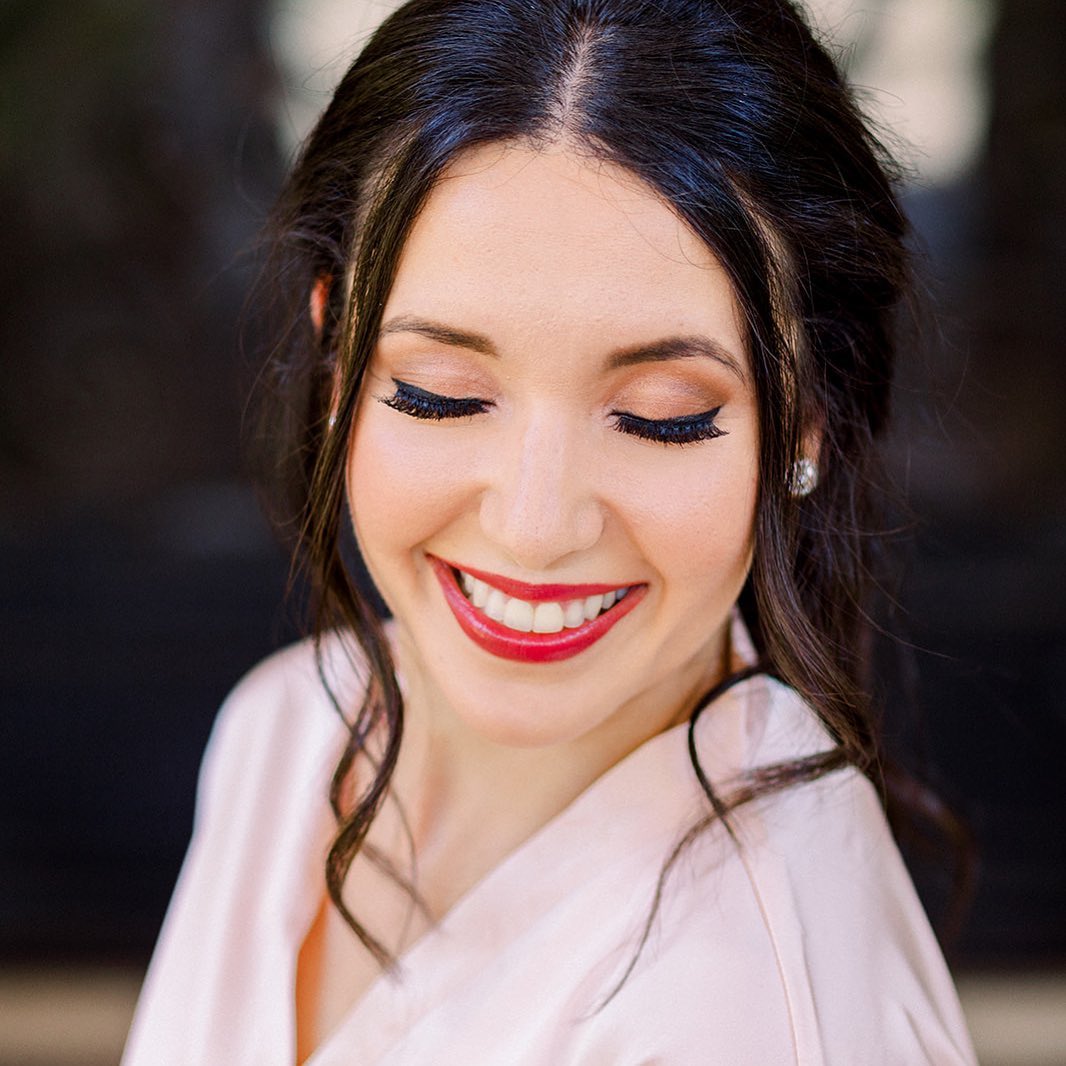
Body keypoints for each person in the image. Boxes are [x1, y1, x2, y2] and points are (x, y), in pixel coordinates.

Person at [122, 0, 979, 1062]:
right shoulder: (289, 729)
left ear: (804, 419)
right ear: (338, 361)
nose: (534, 526)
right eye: (439, 392)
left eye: (662, 414)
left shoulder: (736, 997)